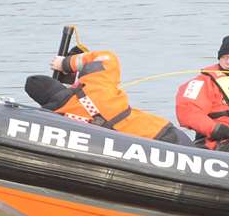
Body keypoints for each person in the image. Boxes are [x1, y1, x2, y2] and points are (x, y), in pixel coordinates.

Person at [25, 44, 189, 143]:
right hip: (161, 133)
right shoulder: (96, 86)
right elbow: (107, 57)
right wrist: (67, 64)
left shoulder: (57, 120)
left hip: (141, 150)